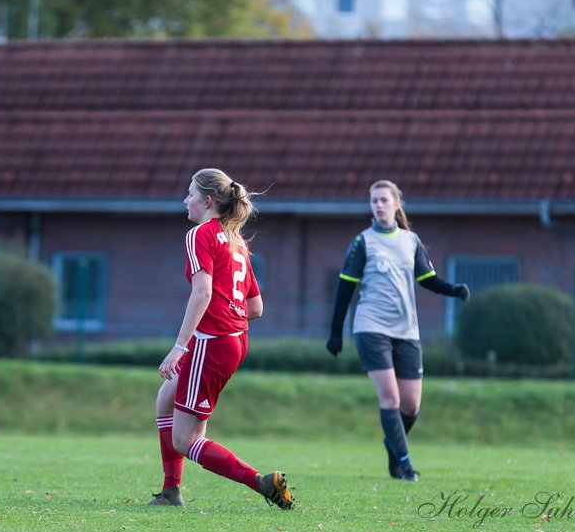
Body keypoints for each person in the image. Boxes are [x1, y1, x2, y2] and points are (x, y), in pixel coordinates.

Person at [148, 168, 295, 510]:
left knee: (186, 440)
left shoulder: (200, 234)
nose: (186, 200)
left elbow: (202, 293)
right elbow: (256, 307)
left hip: (211, 342)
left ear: (208, 201)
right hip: (233, 340)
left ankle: (262, 482)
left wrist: (180, 346)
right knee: (165, 400)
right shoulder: (237, 242)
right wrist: (227, 319)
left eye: (190, 195)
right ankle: (171, 492)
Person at [326, 180, 470, 482]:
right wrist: (336, 331)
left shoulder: (410, 240)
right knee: (390, 399)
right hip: (371, 328)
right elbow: (344, 288)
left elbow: (427, 278)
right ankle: (405, 464)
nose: (378, 205)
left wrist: (453, 289)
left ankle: (393, 444)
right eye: (374, 200)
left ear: (396, 204)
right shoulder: (362, 242)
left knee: (411, 404)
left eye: (383, 200)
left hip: (407, 331)